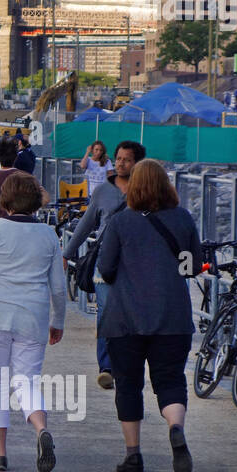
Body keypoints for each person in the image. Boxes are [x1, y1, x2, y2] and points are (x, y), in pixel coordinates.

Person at [96, 159, 202, 472]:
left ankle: (133, 456)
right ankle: (175, 427)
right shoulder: (183, 219)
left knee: (128, 384)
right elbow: (192, 267)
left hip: (125, 318)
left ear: (134, 186)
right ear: (165, 184)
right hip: (173, 316)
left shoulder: (120, 222)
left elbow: (106, 268)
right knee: (169, 379)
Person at [0, 173, 66, 472]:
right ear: (35, 199)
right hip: (33, 317)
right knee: (26, 381)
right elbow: (58, 287)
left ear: (4, 199)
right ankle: (40, 428)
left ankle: (0, 454)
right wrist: (58, 320)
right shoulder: (48, 235)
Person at [63, 140, 145, 390]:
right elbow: (86, 225)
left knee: (133, 315)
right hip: (105, 262)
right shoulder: (102, 192)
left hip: (137, 264)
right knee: (107, 311)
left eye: (127, 159)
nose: (121, 163)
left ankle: (128, 364)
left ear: (138, 163)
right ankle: (107, 367)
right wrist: (66, 253)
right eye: (118, 158)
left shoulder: (147, 190)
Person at [0, 139, 47, 222]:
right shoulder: (26, 176)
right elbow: (45, 199)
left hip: (0, 222)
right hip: (23, 224)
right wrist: (30, 209)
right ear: (16, 156)